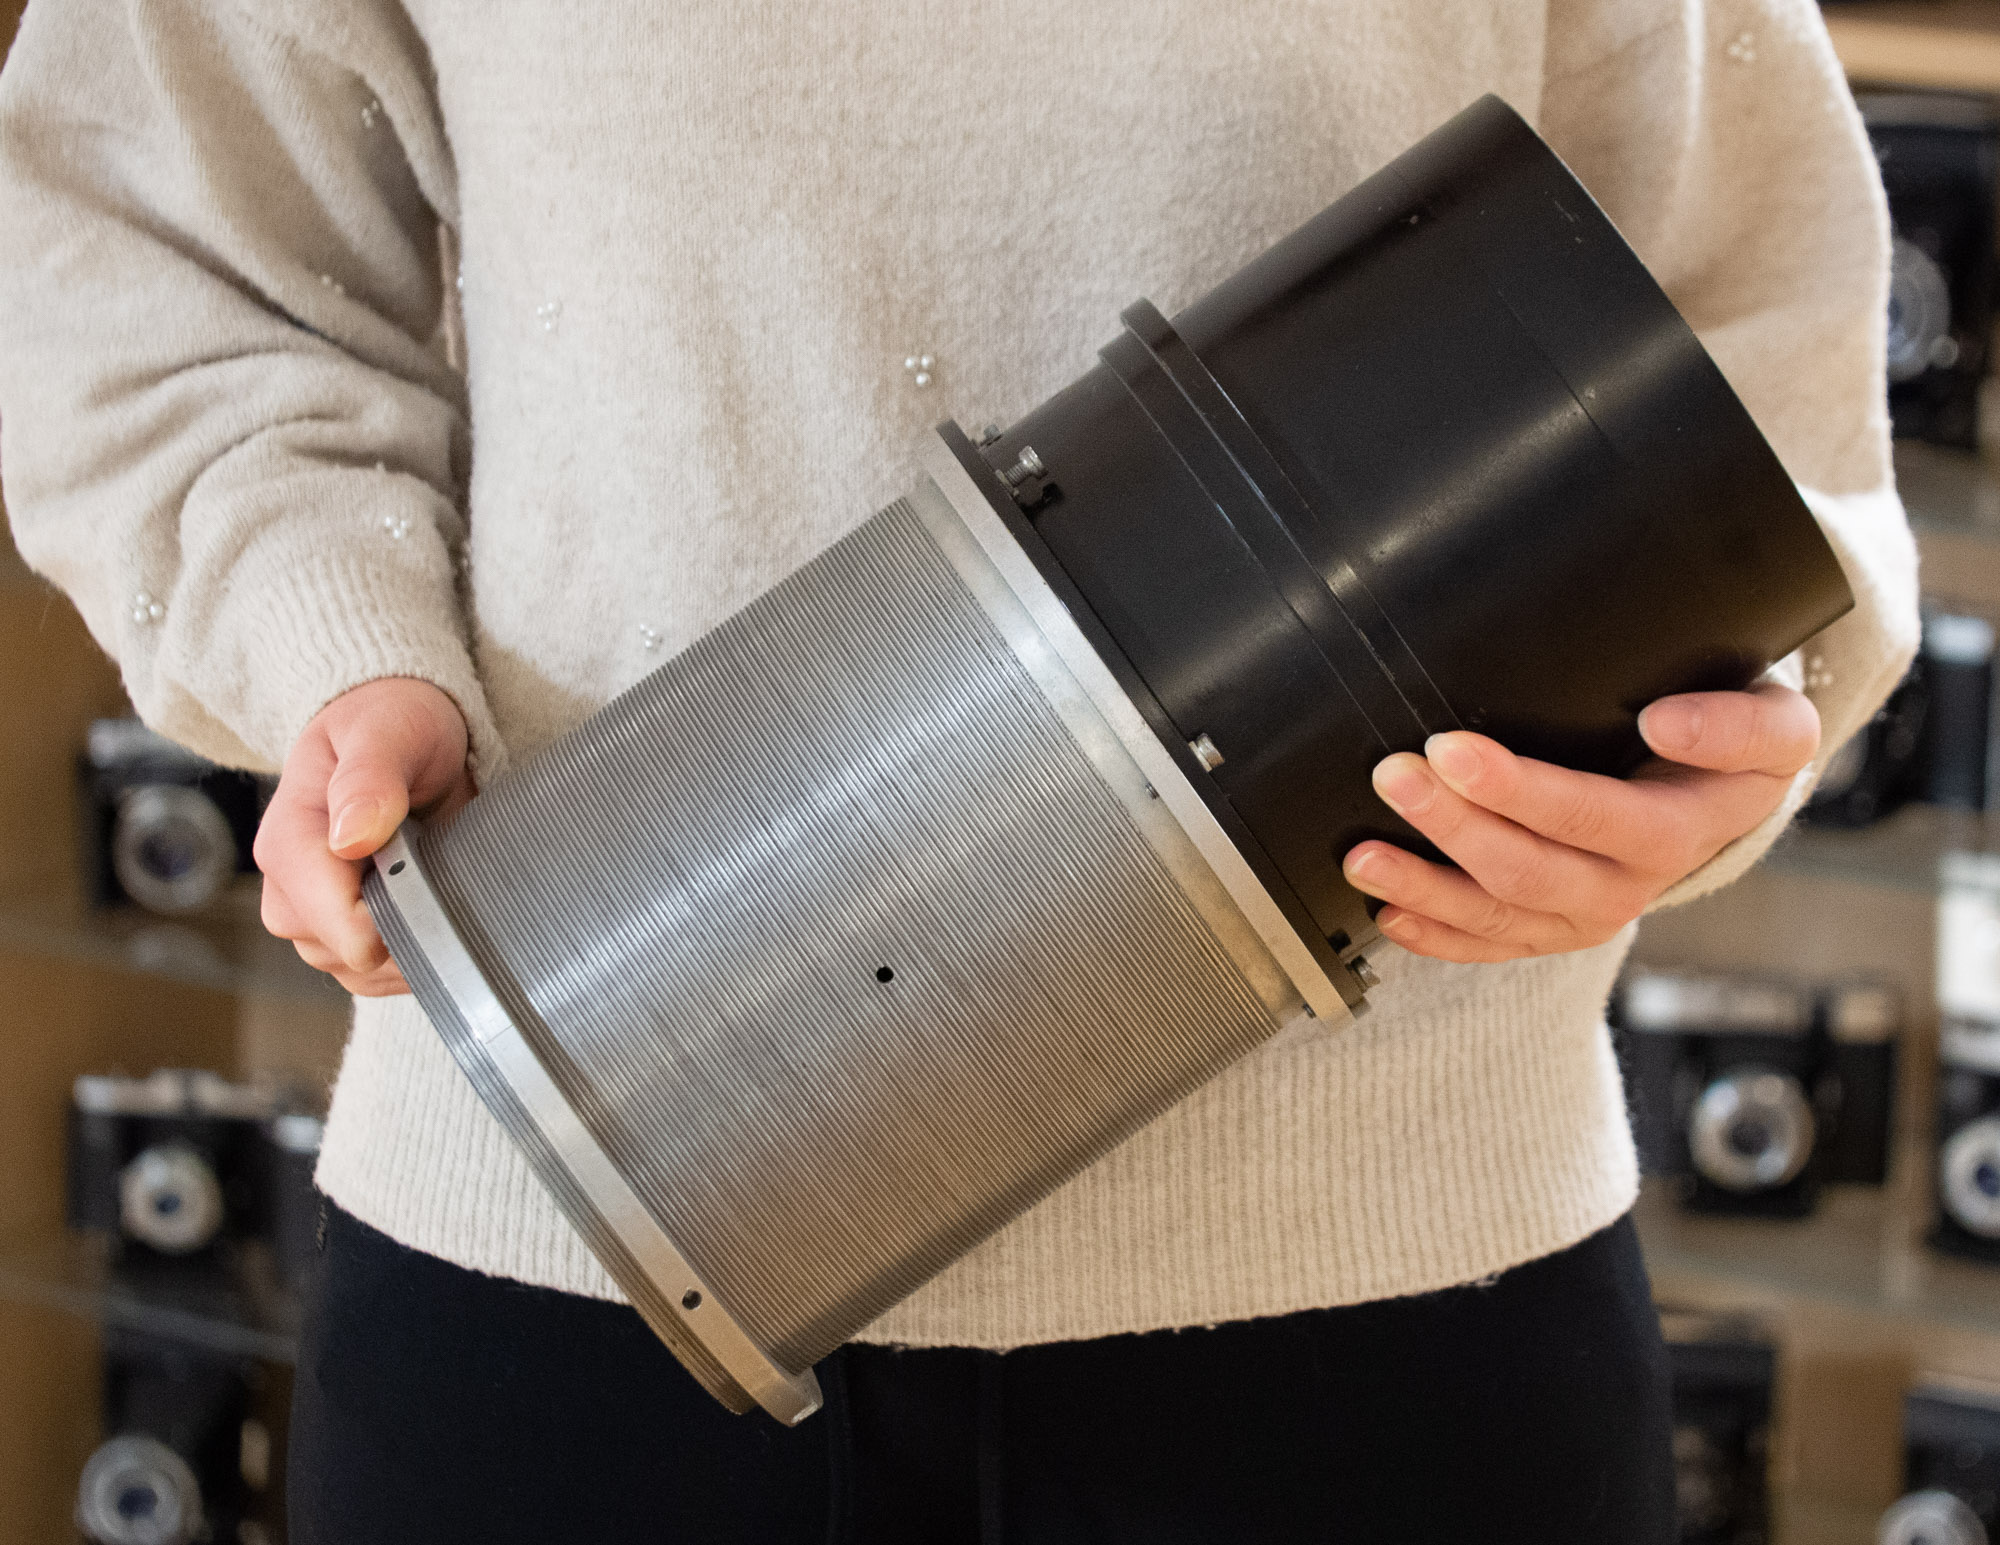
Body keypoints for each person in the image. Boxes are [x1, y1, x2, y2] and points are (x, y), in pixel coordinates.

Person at [0, 0, 1916, 1539]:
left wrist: (1708, 750)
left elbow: (1757, 350)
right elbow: (149, 261)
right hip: (566, 1240)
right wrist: (338, 646)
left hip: (1396, 1310)